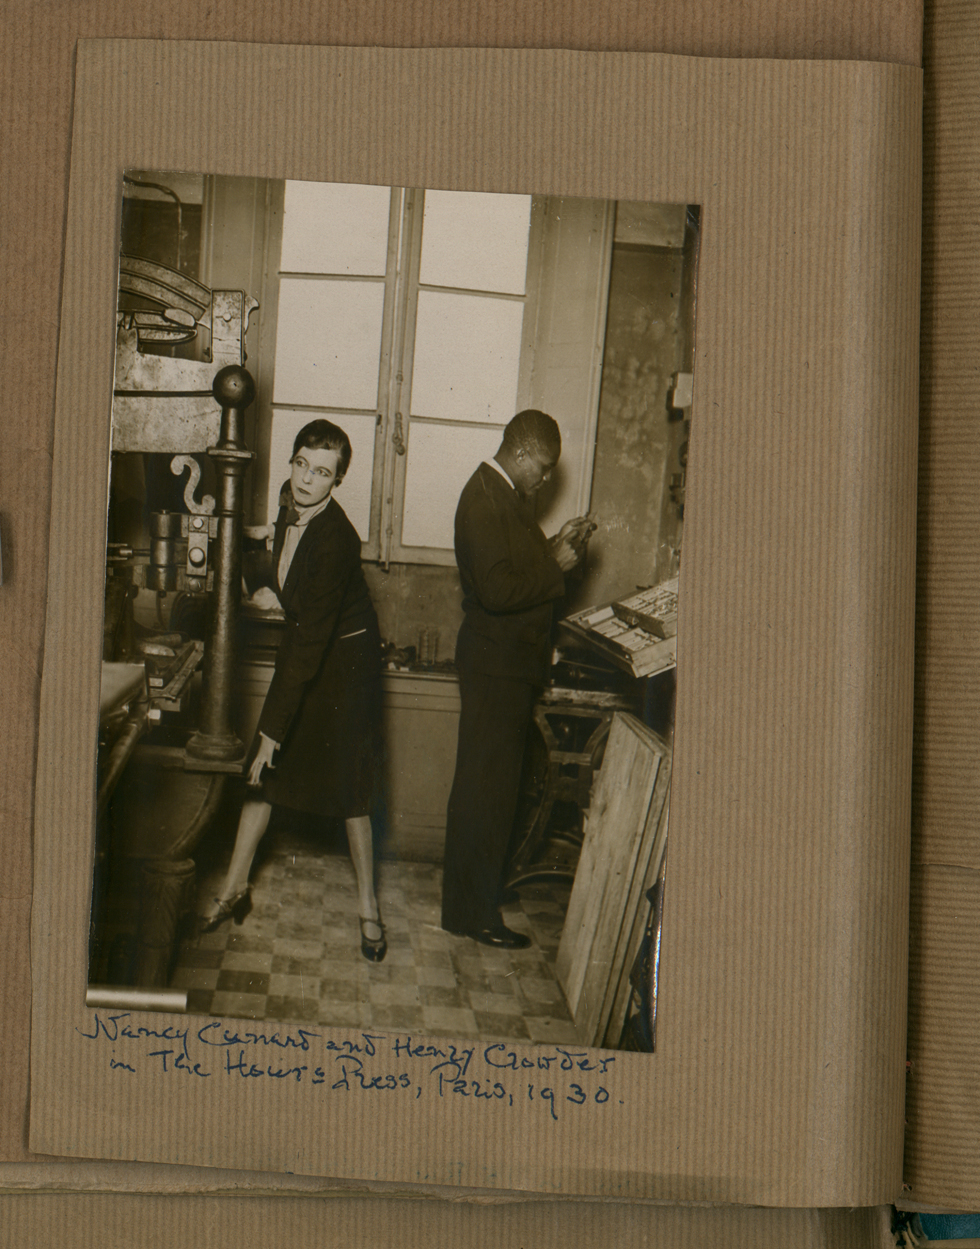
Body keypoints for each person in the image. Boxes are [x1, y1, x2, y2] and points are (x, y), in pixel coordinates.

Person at [197, 419, 387, 963]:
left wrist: (273, 732)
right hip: (306, 651)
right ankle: (234, 887)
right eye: (302, 464)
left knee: (352, 790)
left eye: (322, 472)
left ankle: (370, 910)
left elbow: (308, 644)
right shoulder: (288, 503)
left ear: (339, 480)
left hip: (346, 668)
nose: (307, 479)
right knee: (261, 776)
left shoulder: (339, 541)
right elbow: (282, 560)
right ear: (292, 462)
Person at [440, 410, 593, 948]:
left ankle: (476, 892)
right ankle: (471, 912)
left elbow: (512, 567)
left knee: (494, 787)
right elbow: (500, 591)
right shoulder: (484, 497)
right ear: (522, 453)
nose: (547, 479)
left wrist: (557, 547)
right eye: (545, 469)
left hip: (504, 665)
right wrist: (557, 565)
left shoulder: (503, 495)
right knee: (486, 790)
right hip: (494, 665)